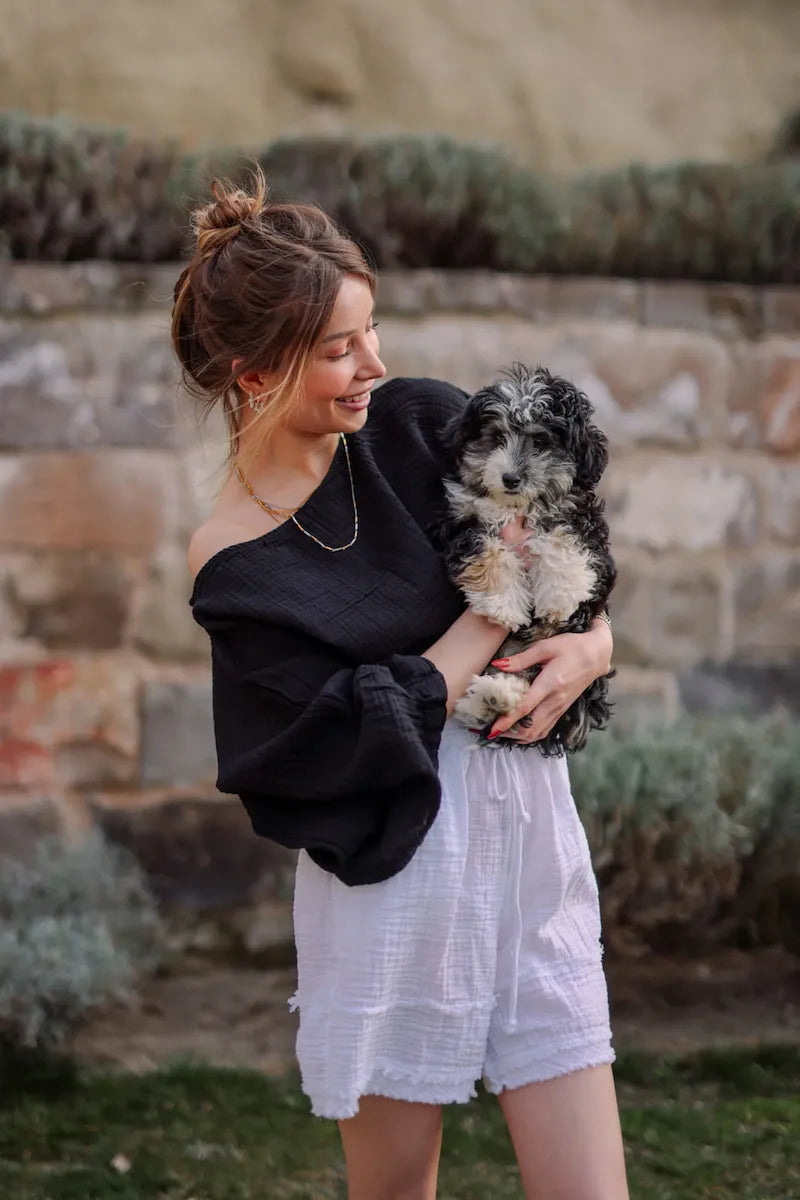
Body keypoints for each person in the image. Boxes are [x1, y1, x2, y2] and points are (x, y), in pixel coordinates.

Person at [174, 170, 629, 1200]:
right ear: (252, 373)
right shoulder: (234, 559)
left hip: (530, 840)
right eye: (337, 348)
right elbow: (328, 741)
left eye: (370, 330)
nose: (373, 363)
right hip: (395, 874)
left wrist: (596, 644)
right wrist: (482, 618)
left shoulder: (419, 422)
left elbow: (562, 546)